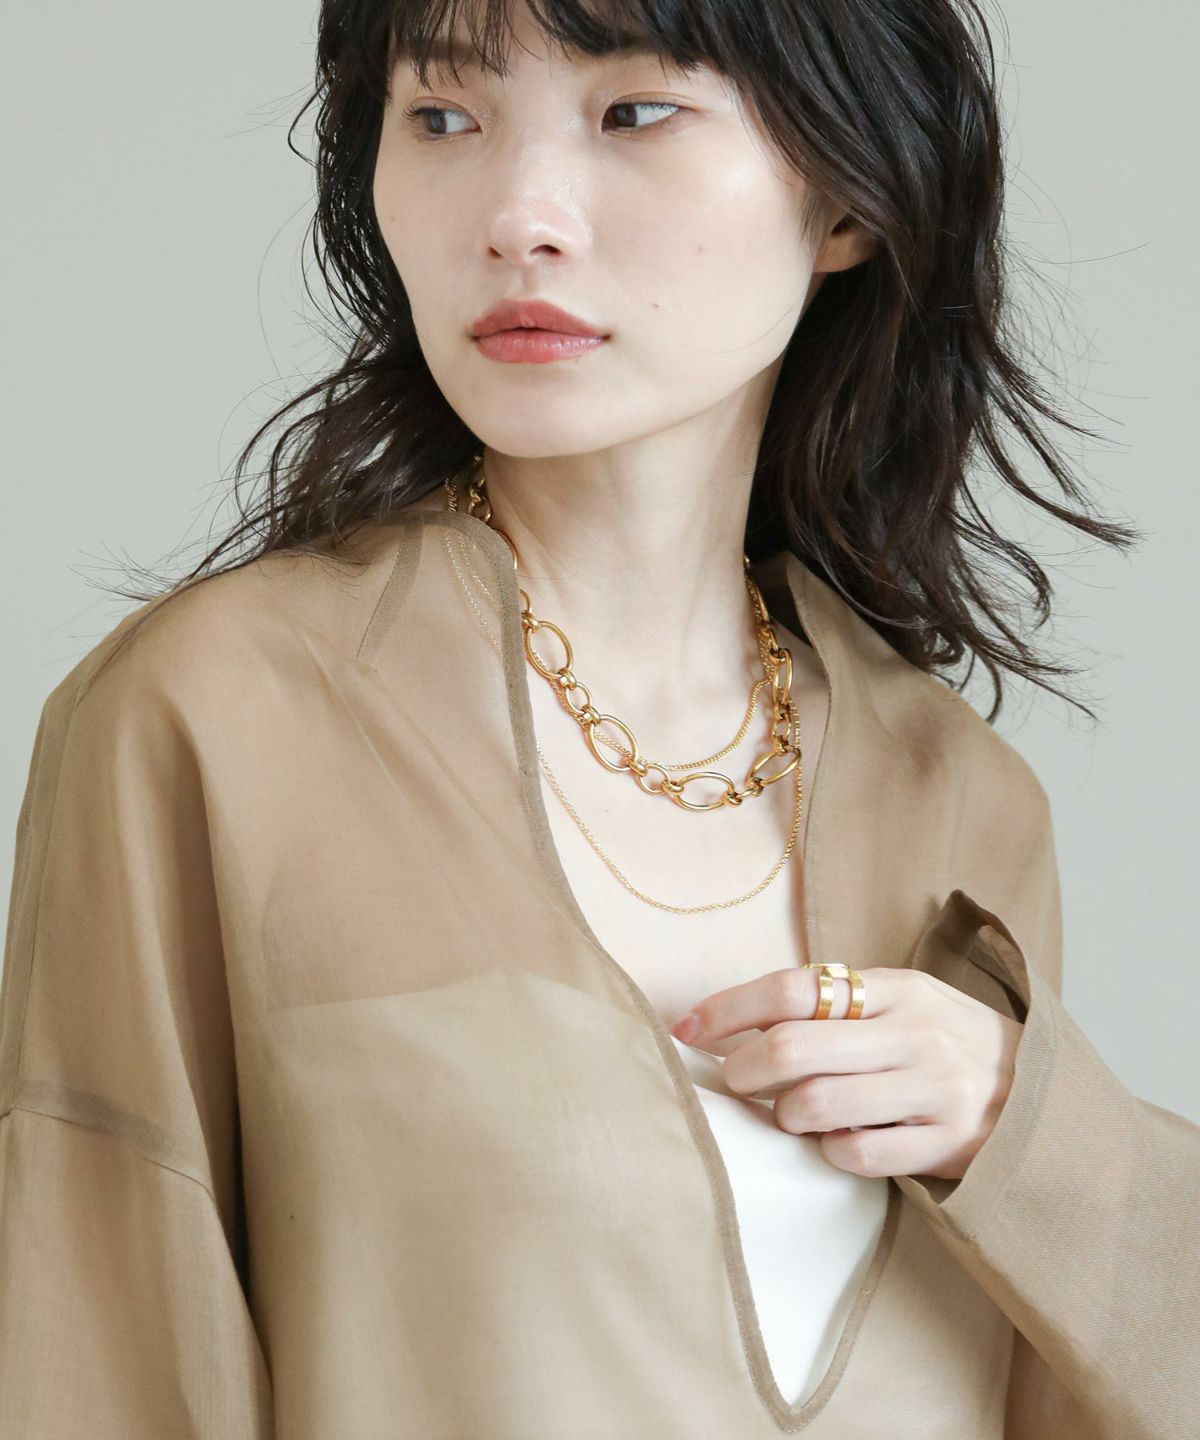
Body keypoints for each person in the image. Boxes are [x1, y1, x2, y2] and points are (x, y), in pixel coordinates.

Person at [1, 1, 1195, 1436]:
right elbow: (95, 1365)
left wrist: (1033, 1129)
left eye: (634, 113)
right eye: (442, 117)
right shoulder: (211, 718)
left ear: (845, 199)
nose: (518, 217)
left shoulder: (963, 794)